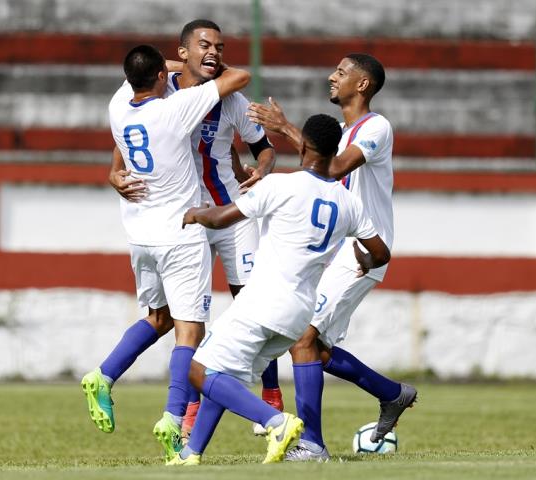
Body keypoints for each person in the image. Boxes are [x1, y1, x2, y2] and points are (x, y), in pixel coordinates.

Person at [166, 114, 392, 465]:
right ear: (335, 151)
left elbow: (222, 217)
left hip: (263, 302)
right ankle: (191, 453)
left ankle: (276, 422)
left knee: (197, 371)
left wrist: (195, 214)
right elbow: (381, 253)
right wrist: (362, 256)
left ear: (302, 146)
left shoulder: (282, 186)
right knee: (220, 373)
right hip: (298, 314)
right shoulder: (349, 203)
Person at [98, 19, 280, 442]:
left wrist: (262, 170)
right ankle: (190, 408)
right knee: (184, 319)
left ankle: (270, 395)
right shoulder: (163, 92)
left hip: (229, 211)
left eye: (220, 45)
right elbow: (125, 138)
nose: (214, 51)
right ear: (180, 53)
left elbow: (263, 148)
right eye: (204, 45)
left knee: (251, 303)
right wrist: (113, 172)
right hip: (182, 220)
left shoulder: (230, 97)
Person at [80, 43, 250, 461]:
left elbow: (139, 76)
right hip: (180, 233)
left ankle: (103, 375)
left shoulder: (118, 104)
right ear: (161, 75)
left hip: (139, 233)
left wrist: (167, 66)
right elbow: (238, 78)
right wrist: (199, 64)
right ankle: (173, 420)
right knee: (189, 332)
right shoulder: (174, 111)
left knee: (158, 318)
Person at [246, 53, 417, 460]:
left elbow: (334, 167)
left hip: (363, 253)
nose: (331, 77)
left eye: (341, 72)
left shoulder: (376, 127)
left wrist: (284, 127)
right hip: (336, 251)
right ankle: (392, 393)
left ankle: (312, 445)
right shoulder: (341, 129)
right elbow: (319, 169)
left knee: (303, 339)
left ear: (362, 85)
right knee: (310, 347)